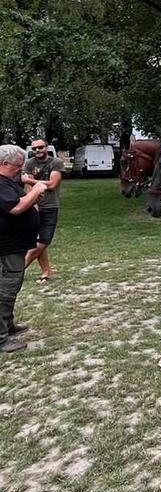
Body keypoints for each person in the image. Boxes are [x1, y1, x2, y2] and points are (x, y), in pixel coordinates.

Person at [0, 145, 47, 353]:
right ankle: (1, 338)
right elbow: (16, 208)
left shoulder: (8, 181)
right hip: (6, 247)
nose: (20, 170)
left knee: (11, 287)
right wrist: (36, 189)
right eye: (17, 166)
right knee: (5, 290)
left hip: (15, 245)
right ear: (4, 163)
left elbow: (20, 202)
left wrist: (32, 197)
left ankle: (8, 326)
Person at [23, 139, 65, 283]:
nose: (37, 151)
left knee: (44, 240)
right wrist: (33, 201)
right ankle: (46, 271)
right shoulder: (29, 163)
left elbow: (53, 184)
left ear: (46, 147)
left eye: (40, 147)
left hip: (50, 206)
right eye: (34, 149)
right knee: (38, 241)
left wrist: (31, 181)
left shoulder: (56, 163)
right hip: (33, 207)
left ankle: (19, 269)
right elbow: (27, 185)